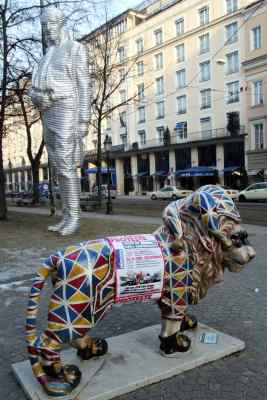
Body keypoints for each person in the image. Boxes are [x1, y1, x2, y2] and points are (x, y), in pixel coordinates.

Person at [30, 6, 91, 235]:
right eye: (44, 26)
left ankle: (74, 217)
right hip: (47, 112)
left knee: (67, 165)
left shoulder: (75, 49)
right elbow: (34, 87)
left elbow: (84, 84)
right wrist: (36, 97)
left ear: (61, 23)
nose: (47, 30)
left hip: (67, 108)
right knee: (57, 166)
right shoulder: (46, 56)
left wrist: (84, 119)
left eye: (51, 24)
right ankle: (66, 217)